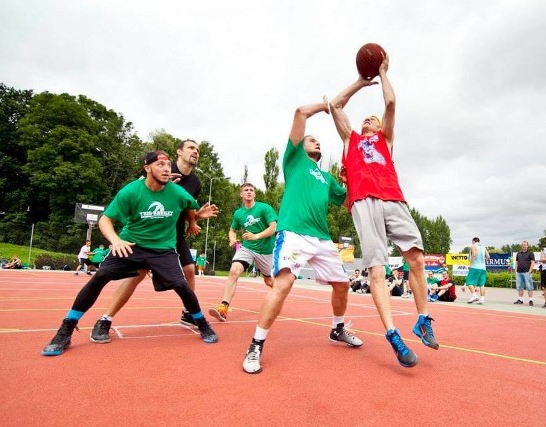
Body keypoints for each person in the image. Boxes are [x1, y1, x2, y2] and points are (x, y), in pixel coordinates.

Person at [40, 150, 219, 356]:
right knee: (101, 275)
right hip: (132, 244)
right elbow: (105, 219)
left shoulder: (177, 192)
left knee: (181, 284)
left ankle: (202, 323)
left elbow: (188, 207)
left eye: (168, 165)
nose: (166, 169)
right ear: (147, 168)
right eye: (160, 165)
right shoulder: (131, 191)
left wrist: (197, 217)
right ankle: (66, 330)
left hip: (162, 249)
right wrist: (116, 240)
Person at [330, 52, 438, 368]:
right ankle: (393, 334)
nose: (368, 120)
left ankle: (423, 318)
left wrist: (383, 74)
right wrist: (361, 83)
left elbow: (390, 104)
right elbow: (334, 105)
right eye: (365, 118)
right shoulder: (350, 141)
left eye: (372, 119)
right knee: (377, 269)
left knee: (416, 257)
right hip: (363, 201)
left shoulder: (384, 141)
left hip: (393, 198)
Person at [242, 99, 362, 374]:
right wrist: (328, 105)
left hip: (321, 238)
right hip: (294, 233)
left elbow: (346, 202)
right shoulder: (294, 160)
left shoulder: (327, 178)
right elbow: (299, 112)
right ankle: (256, 345)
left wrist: (349, 180)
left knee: (342, 285)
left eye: (318, 141)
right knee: (283, 284)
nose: (316, 141)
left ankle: (337, 329)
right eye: (311, 139)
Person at [88, 140, 205, 344]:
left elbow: (187, 207)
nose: (195, 152)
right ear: (179, 152)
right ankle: (105, 318)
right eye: (191, 148)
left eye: (198, 150)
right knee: (137, 275)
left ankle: (189, 313)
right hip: (147, 233)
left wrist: (195, 221)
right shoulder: (163, 166)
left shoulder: (195, 182)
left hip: (173, 233)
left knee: (189, 270)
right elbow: (142, 191)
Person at [209, 183, 277, 322]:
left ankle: (279, 295)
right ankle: (223, 308)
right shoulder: (238, 213)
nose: (249, 192)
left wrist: (256, 236)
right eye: (246, 190)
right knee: (234, 271)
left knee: (269, 281)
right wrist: (232, 240)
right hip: (247, 248)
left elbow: (273, 228)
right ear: (241, 195)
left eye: (251, 190)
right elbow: (232, 230)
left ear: (255, 194)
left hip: (266, 251)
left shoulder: (264, 208)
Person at [466, 237, 490, 304]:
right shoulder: (483, 247)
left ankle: (474, 295)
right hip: (483, 268)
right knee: (481, 284)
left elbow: (473, 254)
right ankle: (482, 299)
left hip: (475, 267)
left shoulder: (473, 245)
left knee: (469, 282)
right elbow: (488, 257)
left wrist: (471, 264)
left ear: (473, 241)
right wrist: (483, 261)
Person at [514, 241, 535, 306]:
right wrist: (516, 271)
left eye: (525, 245)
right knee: (520, 287)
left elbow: (532, 263)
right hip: (519, 273)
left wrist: (529, 271)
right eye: (522, 245)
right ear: (521, 246)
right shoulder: (518, 254)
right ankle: (520, 299)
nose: (523, 246)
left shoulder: (530, 253)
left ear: (527, 246)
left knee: (529, 287)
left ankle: (530, 300)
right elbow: (517, 263)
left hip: (527, 272)